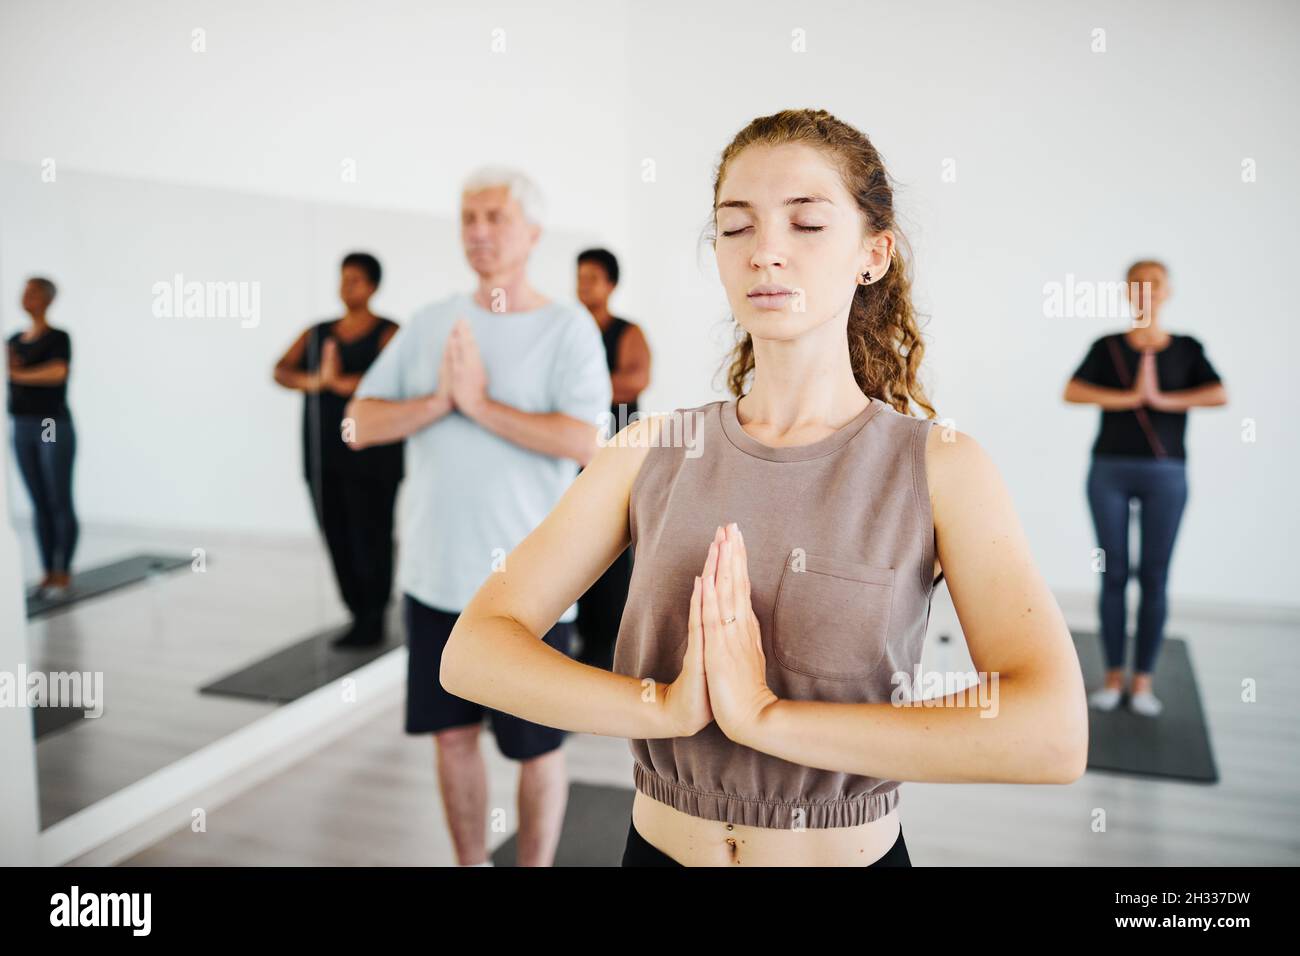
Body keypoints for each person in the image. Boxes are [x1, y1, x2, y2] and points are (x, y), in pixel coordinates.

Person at [442, 109, 1089, 867]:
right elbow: (474, 651)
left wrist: (767, 718)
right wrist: (663, 705)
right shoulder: (652, 449)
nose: (766, 254)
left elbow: (1050, 734)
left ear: (872, 255)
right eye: (736, 227)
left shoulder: (941, 467)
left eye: (806, 225)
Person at [344, 168, 612, 866]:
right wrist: (439, 400)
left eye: (494, 216)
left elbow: (586, 442)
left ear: (531, 233)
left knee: (536, 746)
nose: (479, 231)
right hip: (437, 578)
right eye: (468, 217)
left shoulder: (567, 329)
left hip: (534, 587)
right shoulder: (432, 323)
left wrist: (481, 405)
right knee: (452, 736)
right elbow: (357, 425)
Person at [1064, 260, 1228, 716]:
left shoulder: (1187, 348)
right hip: (1110, 470)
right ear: (1126, 291)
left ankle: (1143, 681)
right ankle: (1113, 677)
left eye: (1153, 283)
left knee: (1154, 577)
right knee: (1113, 574)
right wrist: (1128, 399)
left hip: (1166, 473)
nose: (1145, 290)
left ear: (1167, 290)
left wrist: (1163, 401)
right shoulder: (1108, 346)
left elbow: (1218, 394)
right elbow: (1072, 391)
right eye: (1136, 283)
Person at [273, 253, 405, 647]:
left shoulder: (389, 331)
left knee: (373, 535)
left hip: (374, 460)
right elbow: (281, 370)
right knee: (336, 534)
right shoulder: (318, 332)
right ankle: (356, 611)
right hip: (324, 455)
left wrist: (342, 382)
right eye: (343, 279)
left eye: (356, 281)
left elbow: (399, 378)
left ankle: (375, 614)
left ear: (373, 286)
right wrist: (317, 381)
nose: (347, 288)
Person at [573, 248, 650, 669]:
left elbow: (635, 380)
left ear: (611, 284)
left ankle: (609, 646)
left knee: (614, 549)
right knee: (576, 545)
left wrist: (577, 388)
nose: (584, 286)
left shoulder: (627, 331)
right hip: (573, 456)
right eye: (579, 277)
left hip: (616, 456)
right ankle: (584, 639)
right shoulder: (568, 330)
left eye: (592, 278)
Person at [7, 277, 78, 599]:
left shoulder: (57, 338)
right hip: (21, 423)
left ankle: (63, 571)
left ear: (47, 299)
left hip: (49, 422)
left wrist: (17, 374)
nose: (27, 297)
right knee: (38, 501)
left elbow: (56, 373)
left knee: (56, 496)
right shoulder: (13, 341)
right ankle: (48, 570)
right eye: (25, 291)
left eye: (34, 292)